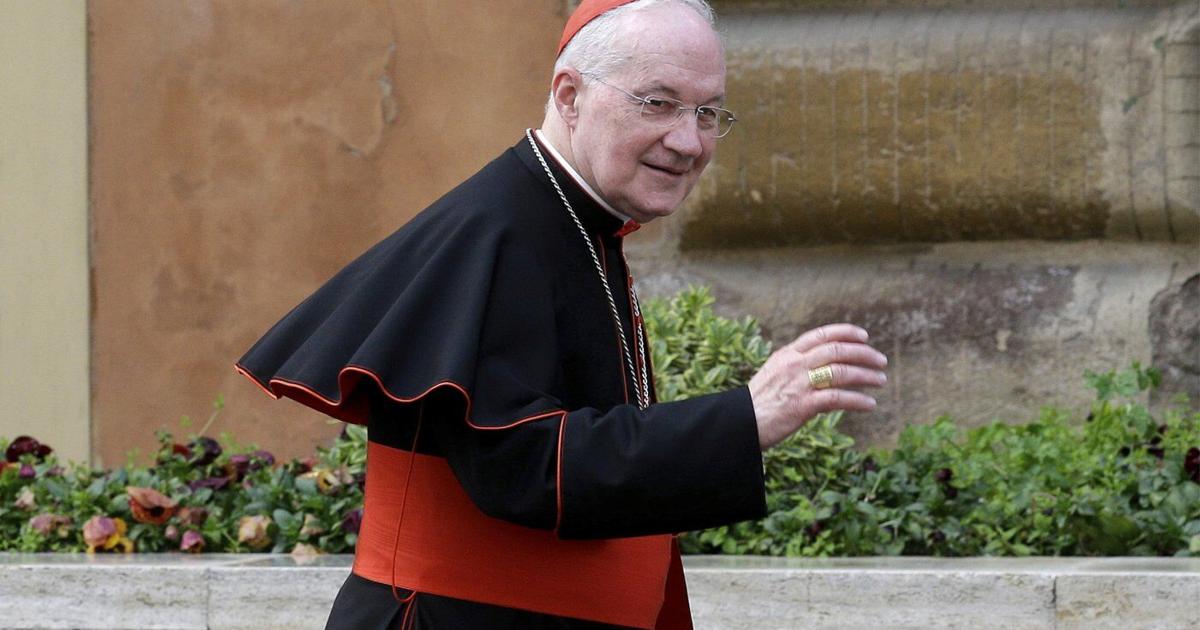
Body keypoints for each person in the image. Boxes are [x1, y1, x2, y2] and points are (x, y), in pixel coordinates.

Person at [236, 0, 888, 628]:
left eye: (708, 112)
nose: (688, 140)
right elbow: (524, 468)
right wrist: (746, 417)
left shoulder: (583, 223)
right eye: (657, 103)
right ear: (570, 96)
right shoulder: (493, 233)